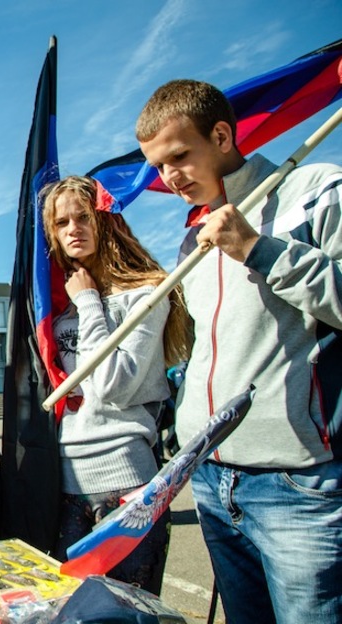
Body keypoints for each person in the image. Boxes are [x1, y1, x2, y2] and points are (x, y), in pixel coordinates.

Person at [137, 79, 342, 621]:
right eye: (159, 166)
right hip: (211, 478)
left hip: (298, 480)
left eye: (180, 156)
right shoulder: (191, 239)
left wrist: (258, 248)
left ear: (223, 135)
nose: (170, 178)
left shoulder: (316, 189)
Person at [41, 176, 192, 594]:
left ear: (106, 220)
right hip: (68, 487)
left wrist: (90, 303)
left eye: (84, 217)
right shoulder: (59, 305)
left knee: (129, 613)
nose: (73, 229)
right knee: (71, 615)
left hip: (128, 485)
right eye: (61, 222)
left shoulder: (145, 293)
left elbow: (113, 387)